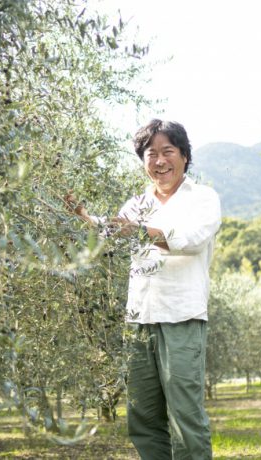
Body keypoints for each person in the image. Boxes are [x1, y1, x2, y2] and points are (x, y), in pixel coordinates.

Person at [65, 119, 221, 459]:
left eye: (168, 152)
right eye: (152, 154)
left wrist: (141, 231)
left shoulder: (203, 199)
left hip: (182, 317)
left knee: (185, 417)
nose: (160, 161)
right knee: (143, 417)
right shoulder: (136, 203)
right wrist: (83, 217)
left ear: (184, 156)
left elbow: (193, 241)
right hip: (138, 321)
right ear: (143, 160)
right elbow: (108, 235)